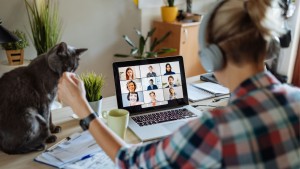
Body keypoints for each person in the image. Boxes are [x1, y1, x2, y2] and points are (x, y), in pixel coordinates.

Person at [58, 0, 300, 168]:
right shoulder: (296, 100)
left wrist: (84, 110)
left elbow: (130, 162)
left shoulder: (216, 130)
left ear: (211, 56)